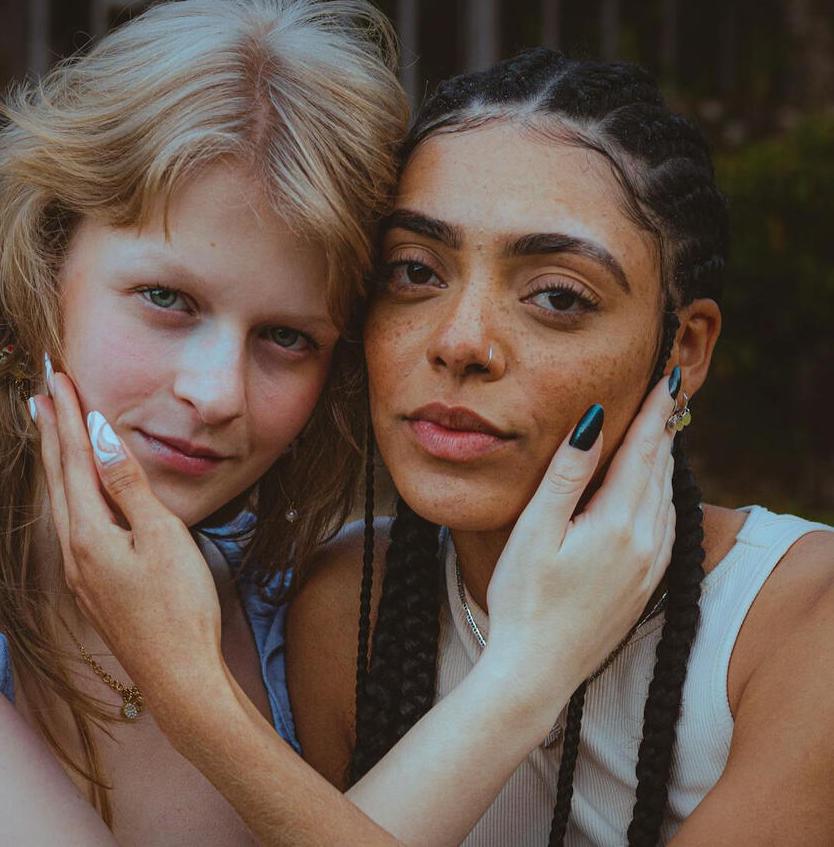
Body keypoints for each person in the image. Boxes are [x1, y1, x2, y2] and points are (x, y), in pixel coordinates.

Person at [0, 0, 672, 847]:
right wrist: (526, 677)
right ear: (43, 273)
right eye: (166, 298)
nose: (217, 392)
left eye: (286, 337)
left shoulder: (293, 598)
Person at [43, 49, 834, 846]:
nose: (460, 343)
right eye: (415, 272)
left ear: (684, 349)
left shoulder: (802, 622)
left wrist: (192, 695)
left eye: (556, 296)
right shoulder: (347, 608)